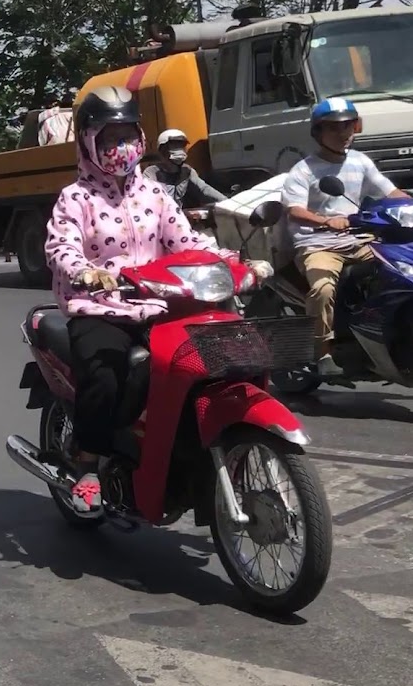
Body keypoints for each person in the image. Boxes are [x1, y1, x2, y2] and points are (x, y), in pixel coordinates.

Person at [43, 86, 268, 515]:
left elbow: (188, 243)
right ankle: (88, 463)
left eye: (127, 135)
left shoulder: (155, 195)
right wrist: (85, 272)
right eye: (109, 138)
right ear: (89, 142)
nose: (119, 147)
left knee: (200, 363)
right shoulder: (75, 198)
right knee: (106, 374)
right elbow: (61, 248)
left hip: (158, 303)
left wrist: (238, 263)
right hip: (101, 306)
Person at [282, 98, 409, 376]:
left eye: (349, 125)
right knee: (324, 289)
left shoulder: (361, 162)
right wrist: (327, 221)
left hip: (360, 239)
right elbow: (295, 212)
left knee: (402, 271)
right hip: (319, 244)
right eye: (335, 128)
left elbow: (390, 193)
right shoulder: (303, 170)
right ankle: (323, 353)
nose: (344, 133)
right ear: (318, 132)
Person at [142, 129, 228, 209]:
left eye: (181, 146)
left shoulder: (186, 171)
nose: (179, 150)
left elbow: (204, 189)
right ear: (163, 150)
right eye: (174, 146)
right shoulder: (152, 173)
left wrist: (227, 202)